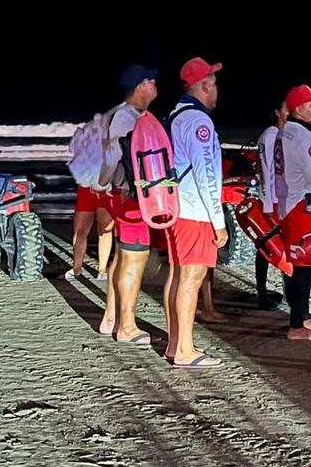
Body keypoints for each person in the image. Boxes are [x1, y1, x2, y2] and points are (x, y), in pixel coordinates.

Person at [163, 57, 227, 368]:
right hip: (194, 211)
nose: (217, 90)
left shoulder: (177, 115)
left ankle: (177, 344)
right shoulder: (199, 122)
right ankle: (186, 350)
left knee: (178, 275)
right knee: (191, 275)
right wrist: (219, 222)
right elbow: (206, 175)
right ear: (204, 86)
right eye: (214, 84)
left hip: (177, 208)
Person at [97, 64, 159, 345]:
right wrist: (111, 186)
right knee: (133, 259)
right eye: (150, 80)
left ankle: (111, 318)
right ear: (139, 87)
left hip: (122, 194)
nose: (155, 83)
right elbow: (114, 155)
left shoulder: (128, 115)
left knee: (122, 258)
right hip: (131, 198)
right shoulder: (127, 117)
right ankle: (127, 326)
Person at [274, 85, 311, 341]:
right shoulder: (305, 137)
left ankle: (302, 317)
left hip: (288, 203)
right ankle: (297, 325)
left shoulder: (284, 132)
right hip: (304, 205)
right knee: (304, 265)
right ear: (299, 108)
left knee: (297, 265)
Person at [254, 101, 290, 309]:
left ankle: (275, 293)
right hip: (273, 202)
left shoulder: (283, 134)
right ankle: (262, 294)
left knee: (272, 247)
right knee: (267, 247)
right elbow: (265, 171)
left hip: (278, 200)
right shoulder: (271, 135)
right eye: (285, 108)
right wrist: (268, 204)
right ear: (276, 111)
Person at [67, 186, 115, 281]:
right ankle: (76, 268)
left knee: (104, 230)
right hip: (86, 188)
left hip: (107, 189)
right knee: (80, 231)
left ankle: (102, 269)